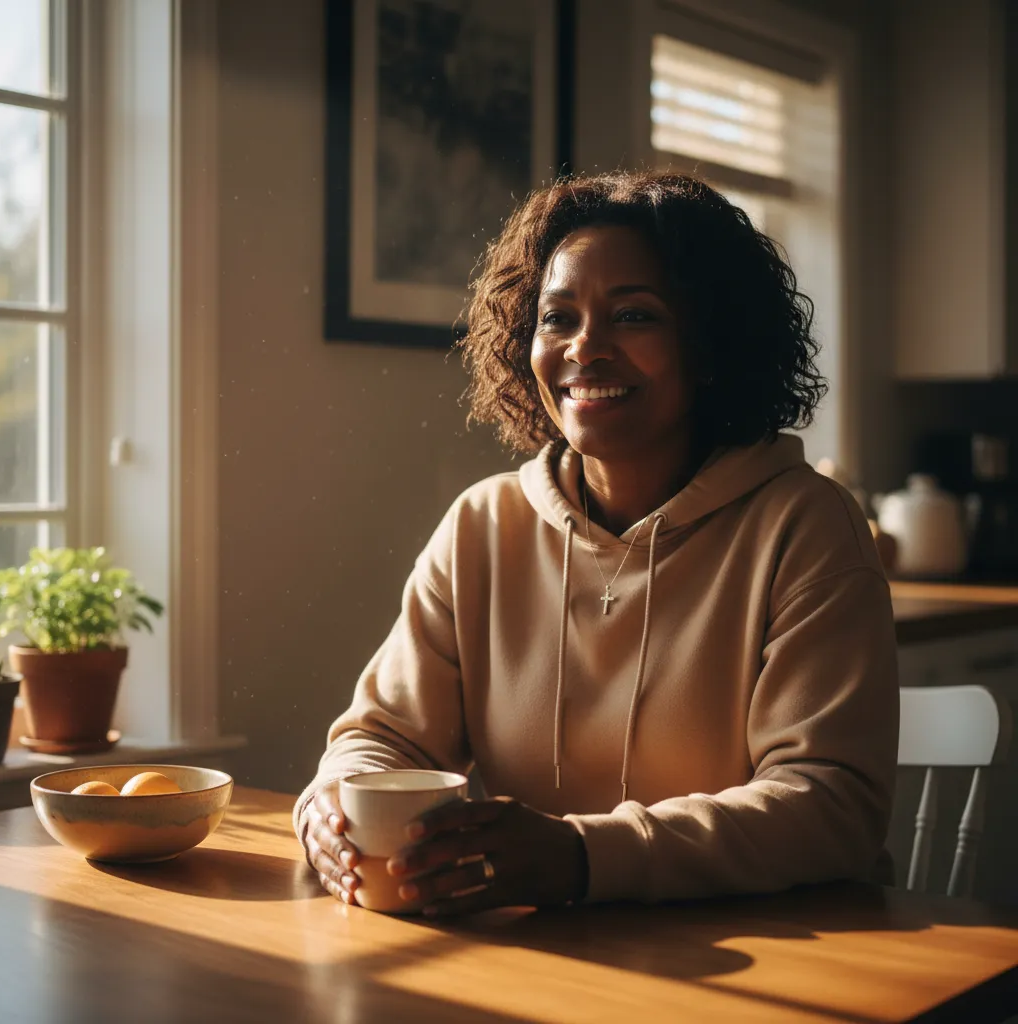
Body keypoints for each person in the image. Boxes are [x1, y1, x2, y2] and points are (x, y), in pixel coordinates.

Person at [296, 171, 899, 917]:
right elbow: (381, 738)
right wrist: (329, 811)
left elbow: (829, 804)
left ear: (709, 343)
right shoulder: (482, 526)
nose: (587, 348)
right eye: (558, 318)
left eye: (635, 316)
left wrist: (582, 856)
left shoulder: (806, 527)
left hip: (790, 954)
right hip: (551, 956)